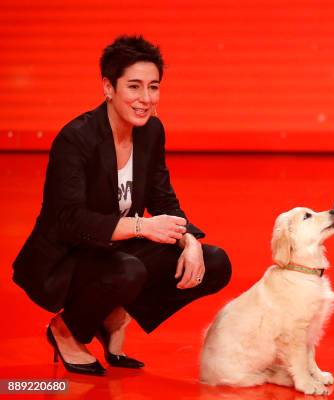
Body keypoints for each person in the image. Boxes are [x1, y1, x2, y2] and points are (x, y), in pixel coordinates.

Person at [12, 35, 232, 376]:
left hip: (117, 249)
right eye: (134, 86)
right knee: (129, 270)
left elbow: (162, 198)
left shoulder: (151, 131)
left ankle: (114, 315)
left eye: (154, 87)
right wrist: (143, 227)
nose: (146, 99)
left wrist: (189, 240)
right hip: (69, 255)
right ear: (108, 87)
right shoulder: (76, 138)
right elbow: (70, 220)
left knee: (214, 262)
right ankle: (65, 330)